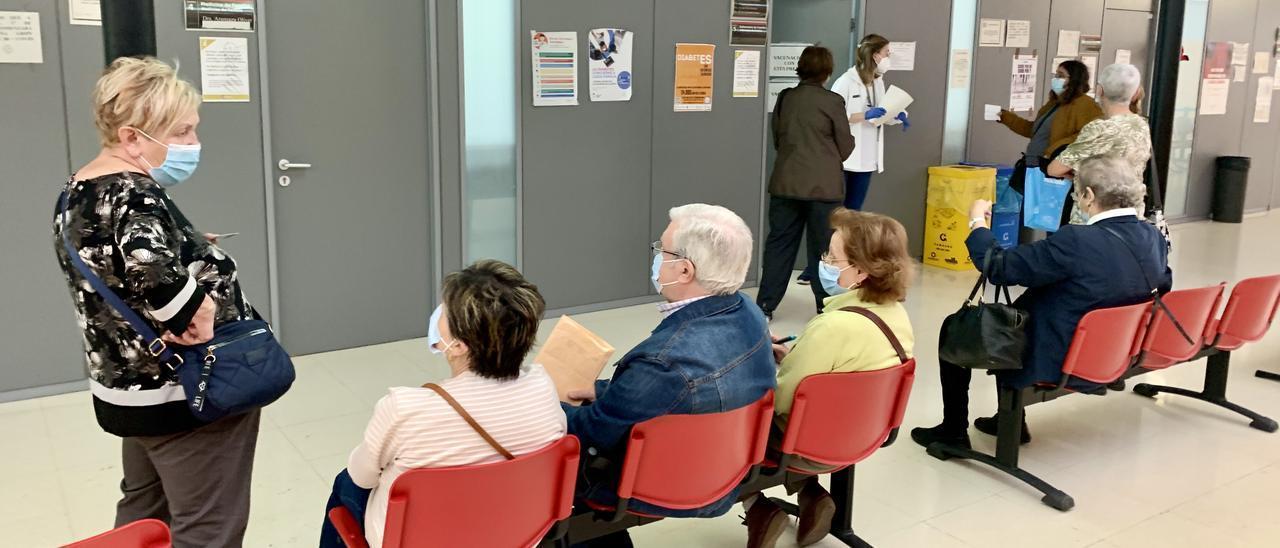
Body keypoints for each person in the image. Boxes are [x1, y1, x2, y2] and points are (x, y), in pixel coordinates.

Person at [50, 57, 260, 547]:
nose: (192, 143)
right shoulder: (137, 195)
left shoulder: (77, 190)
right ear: (132, 138)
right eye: (182, 132)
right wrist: (202, 304)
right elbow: (171, 299)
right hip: (184, 393)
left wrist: (186, 245)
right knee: (209, 526)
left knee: (145, 513)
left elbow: (112, 265)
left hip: (126, 390)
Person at [910, 154, 1171, 449]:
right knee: (1021, 315)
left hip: (1060, 354)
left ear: (1088, 195)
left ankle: (954, 431)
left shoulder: (1076, 240)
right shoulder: (1152, 235)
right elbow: (1163, 284)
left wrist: (978, 223)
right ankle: (1009, 420)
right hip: (1116, 348)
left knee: (960, 326)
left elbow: (999, 267)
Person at [565, 204, 776, 546]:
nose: (656, 257)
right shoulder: (750, 314)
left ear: (684, 270)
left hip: (662, 484)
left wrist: (546, 403)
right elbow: (652, 397)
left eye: (661, 250)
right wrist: (605, 391)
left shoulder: (662, 362)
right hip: (727, 466)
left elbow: (590, 433)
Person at [320, 260, 566, 548]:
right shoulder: (543, 385)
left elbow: (362, 477)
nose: (437, 317)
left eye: (444, 312)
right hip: (515, 534)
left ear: (460, 345)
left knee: (345, 483)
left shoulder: (404, 407)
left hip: (417, 540)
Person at [743, 209, 915, 548]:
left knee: (740, 420)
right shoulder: (897, 316)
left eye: (831, 257)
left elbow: (782, 400)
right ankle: (811, 493)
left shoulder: (832, 326)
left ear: (862, 271)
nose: (824, 262)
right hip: (865, 432)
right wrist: (799, 356)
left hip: (810, 444)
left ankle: (757, 509)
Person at [757, 45, 856, 317]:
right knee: (825, 248)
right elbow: (846, 148)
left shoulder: (786, 98)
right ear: (827, 71)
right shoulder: (833, 101)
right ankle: (824, 306)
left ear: (800, 68)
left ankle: (766, 305)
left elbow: (778, 139)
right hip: (824, 189)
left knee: (779, 244)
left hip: (786, 184)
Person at [997, 59, 1103, 227]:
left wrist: (1057, 147)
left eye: (1061, 75)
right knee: (1037, 218)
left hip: (1056, 170)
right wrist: (1006, 117)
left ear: (1074, 79)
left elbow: (1088, 136)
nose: (1056, 79)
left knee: (1054, 219)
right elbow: (1033, 130)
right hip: (1035, 168)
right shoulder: (1054, 105)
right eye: (1056, 75)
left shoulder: (1085, 105)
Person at [1049, 63, 1153, 225]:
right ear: (1135, 93)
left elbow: (1055, 169)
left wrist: (1077, 175)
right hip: (1131, 214)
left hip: (1096, 216)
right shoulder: (1141, 125)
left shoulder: (1099, 128)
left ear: (1099, 90)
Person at [831, 34, 910, 212]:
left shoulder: (878, 83)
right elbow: (835, 116)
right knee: (838, 211)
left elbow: (881, 113)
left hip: (866, 159)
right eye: (887, 53)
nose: (889, 58)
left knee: (855, 209)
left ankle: (850, 241)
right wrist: (865, 115)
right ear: (875, 56)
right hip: (844, 159)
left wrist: (896, 116)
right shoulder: (846, 82)